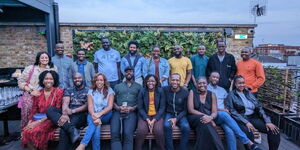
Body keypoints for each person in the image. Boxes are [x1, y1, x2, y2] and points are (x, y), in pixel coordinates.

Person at [208, 72, 261, 150]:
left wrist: (227, 109)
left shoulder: (222, 90)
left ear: (219, 79)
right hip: (213, 115)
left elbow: (227, 104)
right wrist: (222, 110)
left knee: (230, 131)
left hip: (224, 118)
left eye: (217, 77)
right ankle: (247, 142)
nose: (215, 79)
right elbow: (206, 106)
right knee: (224, 114)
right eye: (213, 77)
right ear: (209, 78)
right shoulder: (205, 89)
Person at [227, 75, 281, 150]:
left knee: (274, 130)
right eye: (239, 83)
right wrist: (246, 122)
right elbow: (232, 111)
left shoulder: (249, 93)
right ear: (235, 84)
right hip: (241, 119)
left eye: (243, 83)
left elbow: (259, 107)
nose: (242, 85)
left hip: (253, 117)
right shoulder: (231, 95)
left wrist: (268, 121)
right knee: (249, 133)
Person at [21, 70, 63, 150]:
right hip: (38, 119)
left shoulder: (59, 92)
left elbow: (57, 111)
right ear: (42, 80)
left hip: (52, 120)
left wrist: (37, 122)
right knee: (25, 131)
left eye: (51, 79)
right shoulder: (38, 93)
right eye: (46, 79)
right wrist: (30, 122)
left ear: (54, 80)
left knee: (34, 131)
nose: (48, 81)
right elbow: (34, 110)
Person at [46, 72, 89, 150]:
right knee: (50, 110)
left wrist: (73, 111)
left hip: (81, 114)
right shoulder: (69, 89)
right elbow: (65, 102)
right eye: (75, 78)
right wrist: (64, 114)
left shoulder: (88, 90)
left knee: (63, 130)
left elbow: (87, 106)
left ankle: (70, 129)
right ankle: (72, 130)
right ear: (72, 80)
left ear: (83, 79)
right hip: (68, 113)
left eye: (79, 78)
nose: (77, 80)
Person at [18, 51, 57, 128]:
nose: (44, 59)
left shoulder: (53, 68)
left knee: (42, 117)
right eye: (42, 58)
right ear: (38, 59)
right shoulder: (30, 68)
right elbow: (21, 82)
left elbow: (55, 81)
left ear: (49, 59)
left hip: (46, 96)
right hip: (31, 96)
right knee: (28, 116)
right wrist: (31, 91)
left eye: (46, 58)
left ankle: (40, 135)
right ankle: (25, 133)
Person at [76, 73, 114, 150]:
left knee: (95, 123)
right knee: (96, 128)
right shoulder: (91, 91)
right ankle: (84, 145)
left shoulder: (110, 90)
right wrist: (94, 115)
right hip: (92, 114)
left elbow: (110, 107)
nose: (99, 82)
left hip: (106, 115)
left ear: (104, 81)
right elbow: (90, 106)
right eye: (97, 80)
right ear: (95, 81)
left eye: (101, 80)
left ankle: (83, 144)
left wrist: (98, 115)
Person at [187, 77, 224, 150]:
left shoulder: (212, 94)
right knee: (204, 121)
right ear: (196, 85)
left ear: (207, 84)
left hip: (207, 120)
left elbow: (214, 112)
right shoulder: (192, 92)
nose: (202, 85)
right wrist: (207, 117)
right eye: (199, 83)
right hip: (194, 117)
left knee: (205, 126)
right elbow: (190, 110)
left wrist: (211, 118)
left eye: (204, 83)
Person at [110, 66, 142, 150]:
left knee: (128, 133)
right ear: (124, 73)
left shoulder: (139, 87)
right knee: (114, 133)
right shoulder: (117, 86)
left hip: (131, 112)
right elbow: (112, 101)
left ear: (133, 73)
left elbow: (141, 102)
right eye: (127, 71)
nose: (128, 73)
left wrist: (133, 108)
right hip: (118, 112)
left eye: (130, 71)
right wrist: (118, 108)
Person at [135, 74, 165, 150]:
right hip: (145, 116)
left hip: (157, 116)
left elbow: (162, 107)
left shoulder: (160, 91)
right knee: (141, 131)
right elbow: (140, 108)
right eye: (148, 81)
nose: (150, 83)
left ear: (156, 82)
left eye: (152, 81)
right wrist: (148, 120)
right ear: (146, 82)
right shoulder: (142, 91)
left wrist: (154, 120)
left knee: (158, 131)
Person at [163, 73, 190, 150]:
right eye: (173, 80)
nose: (175, 82)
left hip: (181, 114)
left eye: (177, 80)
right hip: (169, 113)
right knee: (166, 126)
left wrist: (176, 119)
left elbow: (186, 110)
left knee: (186, 127)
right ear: (170, 80)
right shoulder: (165, 90)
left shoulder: (185, 92)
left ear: (180, 81)